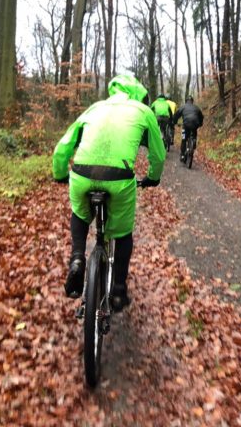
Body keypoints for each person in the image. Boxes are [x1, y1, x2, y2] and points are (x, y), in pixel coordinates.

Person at [53, 74, 166, 311]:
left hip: (81, 174)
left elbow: (64, 145)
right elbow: (158, 154)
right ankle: (118, 290)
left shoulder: (94, 108)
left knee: (81, 214)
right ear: (138, 93)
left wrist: (60, 173)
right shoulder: (143, 110)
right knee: (123, 233)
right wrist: (153, 178)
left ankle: (76, 257)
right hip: (119, 179)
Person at [173, 96, 204, 162]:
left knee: (184, 139)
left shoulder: (183, 107)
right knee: (194, 133)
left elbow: (176, 114)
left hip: (186, 125)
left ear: (186, 101)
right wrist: (200, 124)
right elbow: (201, 116)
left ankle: (182, 155)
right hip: (195, 124)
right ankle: (194, 143)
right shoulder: (196, 107)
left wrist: (175, 122)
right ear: (192, 101)